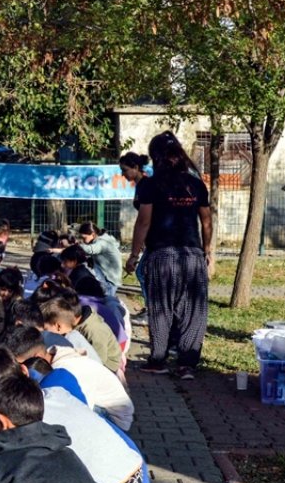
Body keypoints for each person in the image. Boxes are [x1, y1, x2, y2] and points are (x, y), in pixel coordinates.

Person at [125, 131, 212, 381]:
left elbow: (143, 222)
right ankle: (187, 363)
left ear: (155, 157)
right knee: (193, 309)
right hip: (193, 255)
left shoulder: (151, 185)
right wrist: (208, 254)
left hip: (162, 255)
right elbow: (206, 221)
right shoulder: (195, 184)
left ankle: (158, 360)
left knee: (161, 308)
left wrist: (133, 255)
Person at [1, 325, 133, 430]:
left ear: (37, 356)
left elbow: (81, 413)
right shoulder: (53, 356)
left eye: (18, 365)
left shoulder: (69, 371)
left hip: (112, 418)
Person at [40, 293, 122, 373]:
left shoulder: (94, 331)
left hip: (108, 366)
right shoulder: (75, 324)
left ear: (58, 326)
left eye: (46, 329)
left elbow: (99, 362)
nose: (45, 332)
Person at [119, 152, 150, 323]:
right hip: (149, 239)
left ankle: (151, 310)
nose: (123, 174)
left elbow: (145, 220)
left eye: (125, 170)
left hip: (155, 239)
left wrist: (134, 253)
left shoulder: (146, 185)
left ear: (136, 168)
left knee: (141, 272)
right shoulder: (140, 185)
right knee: (144, 273)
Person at [74, 221, 123, 297]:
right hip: (108, 275)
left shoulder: (102, 242)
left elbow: (90, 250)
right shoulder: (102, 239)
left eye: (84, 238)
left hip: (109, 279)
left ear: (93, 235)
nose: (83, 240)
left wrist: (76, 246)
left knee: (107, 300)